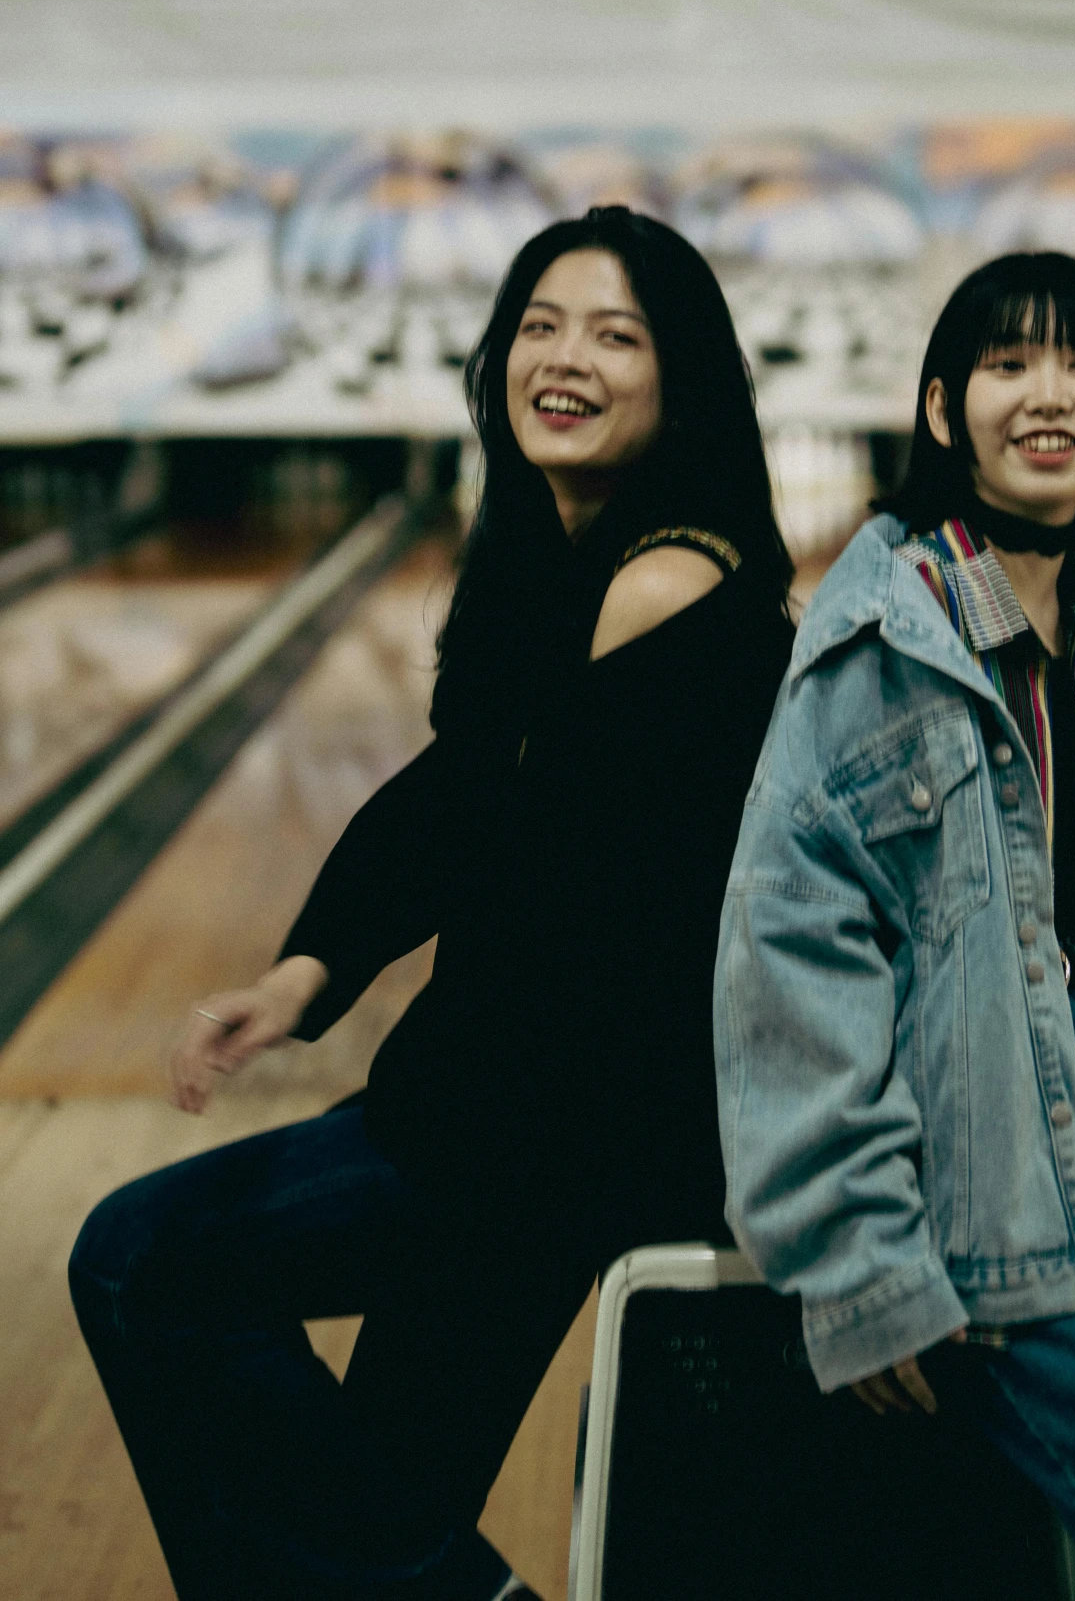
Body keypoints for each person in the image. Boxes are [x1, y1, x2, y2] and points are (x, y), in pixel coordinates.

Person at [70, 207, 795, 1601]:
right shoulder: (559, 558)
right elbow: (457, 792)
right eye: (539, 324)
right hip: (533, 1117)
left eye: (614, 333)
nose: (563, 357)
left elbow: (535, 883)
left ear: (680, 378)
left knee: (139, 1258)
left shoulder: (660, 583)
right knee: (366, 1513)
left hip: (549, 1135)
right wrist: (305, 975)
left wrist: (398, 1100)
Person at [714, 250, 1075, 1601]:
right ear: (939, 409)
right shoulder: (883, 643)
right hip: (995, 1189)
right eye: (1007, 362)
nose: (1050, 393)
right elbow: (785, 962)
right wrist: (858, 1266)